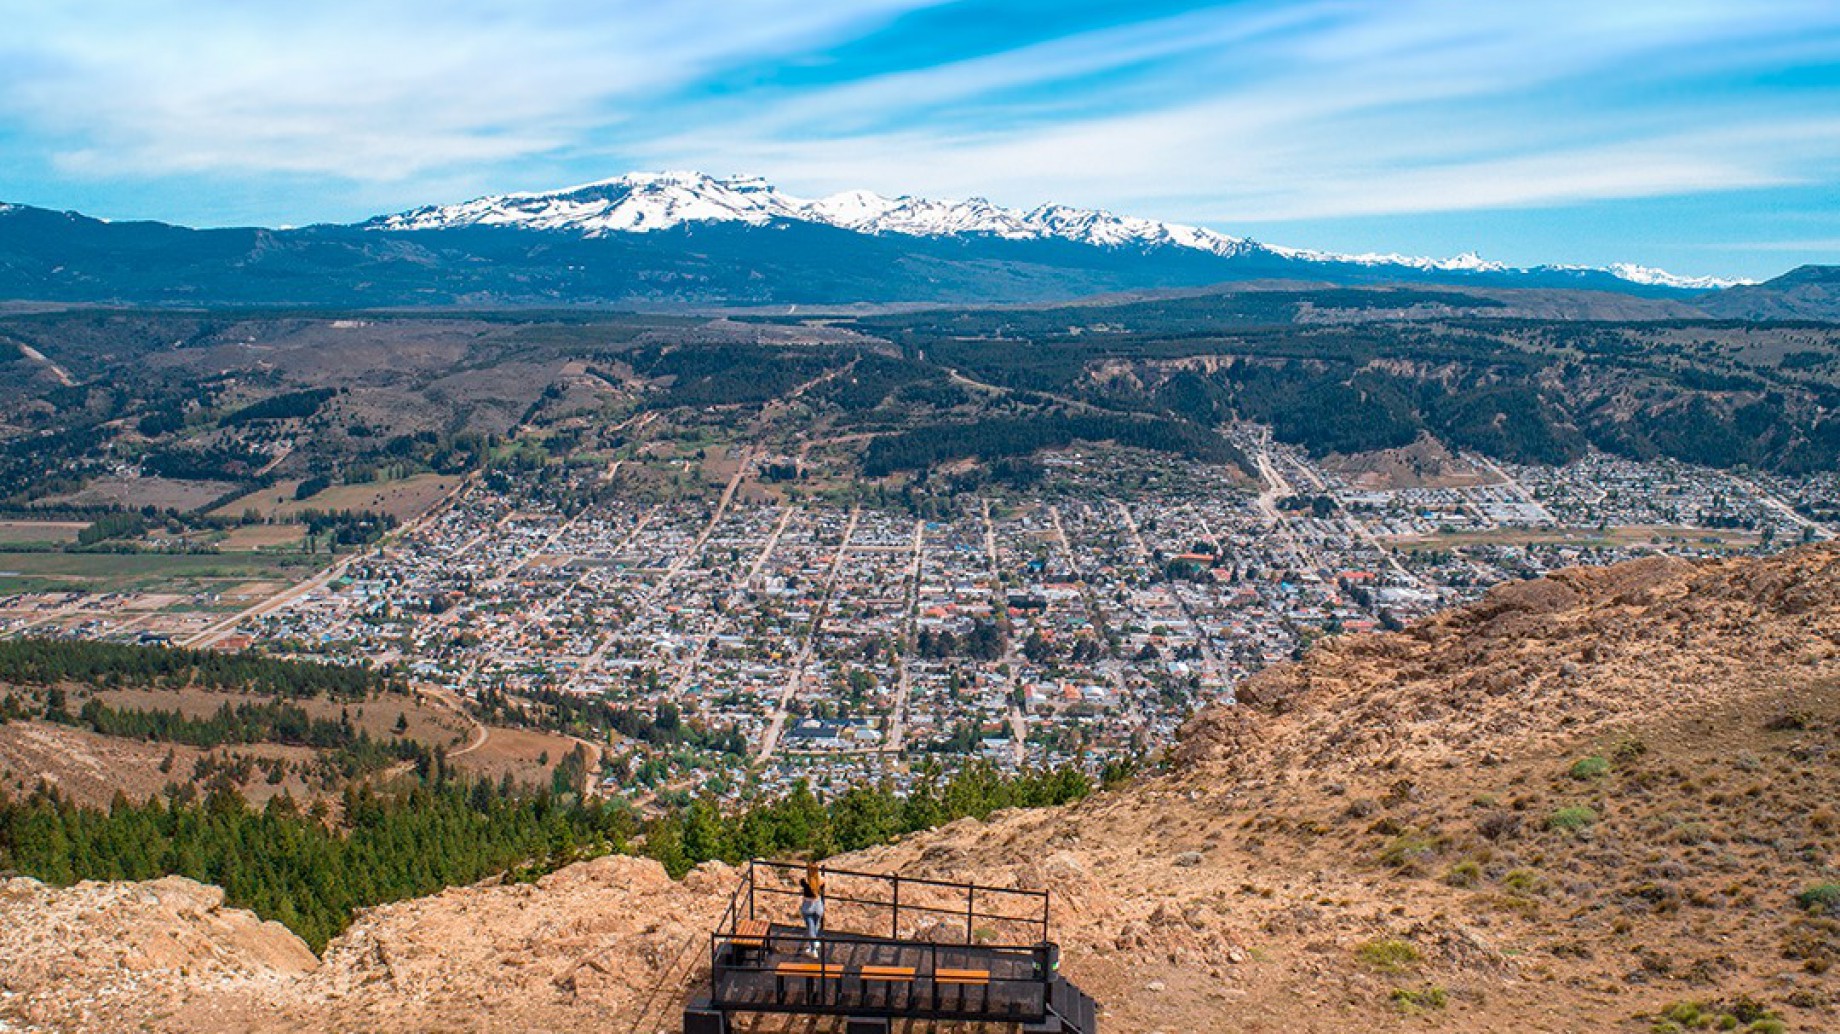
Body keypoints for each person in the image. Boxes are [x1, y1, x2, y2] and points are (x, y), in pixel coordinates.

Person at [798, 861, 826, 957]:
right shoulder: (822, 880)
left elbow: (801, 882)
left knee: (811, 928)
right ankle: (815, 942)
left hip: (808, 906)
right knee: (816, 925)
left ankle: (813, 950)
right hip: (818, 904)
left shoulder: (805, 881)